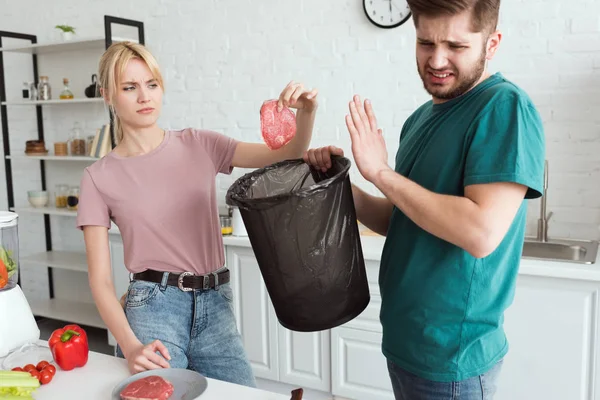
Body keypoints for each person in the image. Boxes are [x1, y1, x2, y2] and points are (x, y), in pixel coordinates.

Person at [304, 0, 545, 398]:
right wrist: (340, 185)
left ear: (493, 42)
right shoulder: (418, 120)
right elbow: (400, 218)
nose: (436, 60)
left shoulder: (503, 107)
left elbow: (480, 232)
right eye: (425, 43)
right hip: (407, 345)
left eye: (456, 46)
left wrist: (381, 172)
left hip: (452, 359)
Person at [76, 41, 319, 387]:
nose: (144, 96)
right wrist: (130, 346)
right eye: (130, 87)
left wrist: (306, 113)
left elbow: (288, 152)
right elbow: (99, 281)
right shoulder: (98, 177)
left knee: (243, 395)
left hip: (216, 302)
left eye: (152, 84)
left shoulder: (200, 144)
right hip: (153, 309)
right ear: (108, 95)